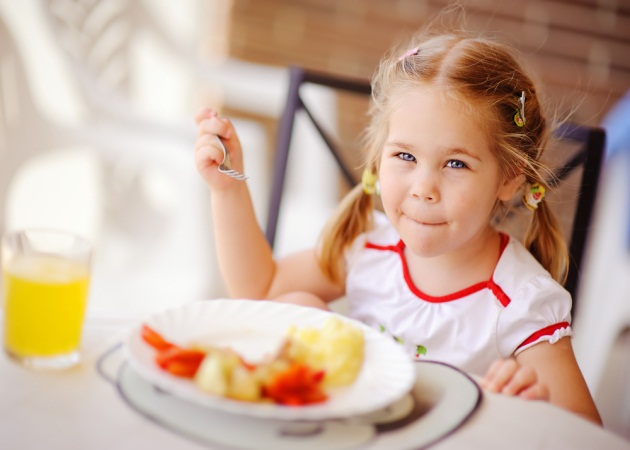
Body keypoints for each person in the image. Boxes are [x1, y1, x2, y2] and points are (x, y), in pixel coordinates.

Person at [194, 29, 601, 424]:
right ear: (378, 157)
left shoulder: (520, 302)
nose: (424, 188)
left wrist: (520, 412)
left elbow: (586, 433)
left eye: (456, 164)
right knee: (299, 305)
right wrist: (227, 189)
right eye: (405, 156)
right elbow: (261, 291)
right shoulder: (369, 248)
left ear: (509, 177)